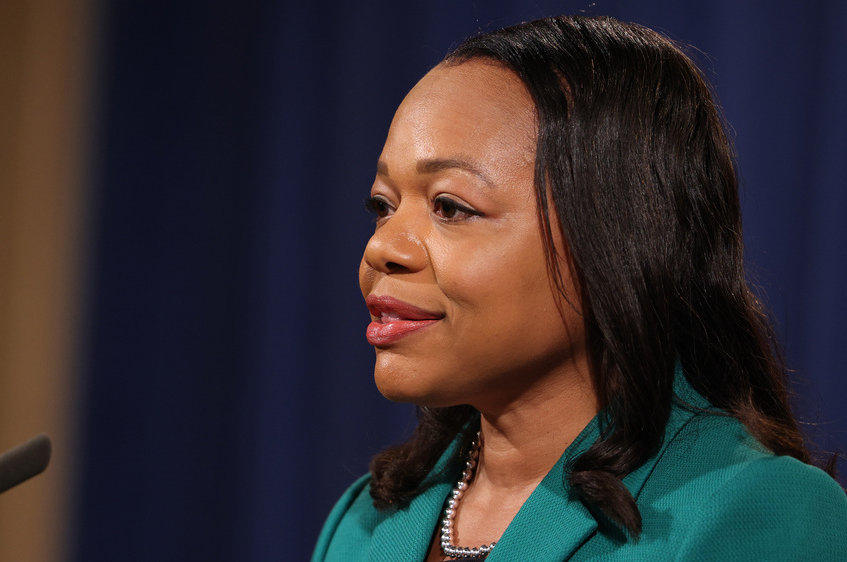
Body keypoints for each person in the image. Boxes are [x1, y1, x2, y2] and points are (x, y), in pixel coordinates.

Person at [312, 14, 847, 561]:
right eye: (383, 206)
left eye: (450, 207)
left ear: (615, 235)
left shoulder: (756, 512)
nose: (382, 248)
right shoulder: (362, 523)